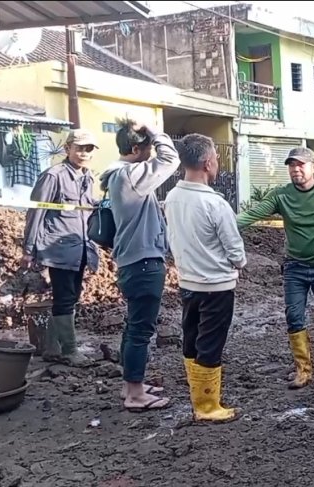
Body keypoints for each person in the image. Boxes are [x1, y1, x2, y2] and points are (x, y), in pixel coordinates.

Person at [235, 147, 314, 389]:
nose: (296, 169)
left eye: (301, 164)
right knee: (294, 316)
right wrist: (223, 224)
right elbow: (253, 214)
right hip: (294, 266)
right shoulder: (281, 195)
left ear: (313, 167)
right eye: (291, 165)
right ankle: (303, 369)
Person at [165, 134, 246, 422]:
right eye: (217, 158)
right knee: (211, 342)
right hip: (217, 285)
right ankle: (208, 407)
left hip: (188, 282)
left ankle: (198, 399)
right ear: (208, 162)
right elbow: (234, 246)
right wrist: (239, 263)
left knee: (192, 339)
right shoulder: (216, 204)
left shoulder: (172, 197)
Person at [100, 119, 179, 412]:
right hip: (143, 262)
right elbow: (170, 160)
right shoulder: (132, 175)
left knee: (134, 326)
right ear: (135, 148)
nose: (151, 153)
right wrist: (158, 132)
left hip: (133, 262)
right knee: (140, 330)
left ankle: (130, 385)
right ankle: (135, 394)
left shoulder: (119, 176)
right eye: (147, 148)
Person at [22, 129, 100, 367]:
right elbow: (36, 211)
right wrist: (28, 249)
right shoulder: (53, 176)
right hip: (59, 249)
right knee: (65, 298)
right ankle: (69, 351)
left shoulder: (88, 177)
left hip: (81, 248)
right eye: (80, 148)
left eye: (88, 149)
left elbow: (87, 211)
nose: (84, 153)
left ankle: (53, 348)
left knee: (71, 297)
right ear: (67, 149)